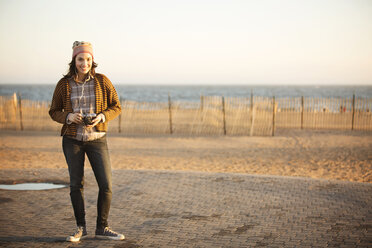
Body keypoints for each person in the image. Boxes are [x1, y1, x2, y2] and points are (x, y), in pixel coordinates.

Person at [49, 41, 124, 242]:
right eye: (81, 59)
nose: (85, 63)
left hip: (97, 139)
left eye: (88, 59)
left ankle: (103, 227)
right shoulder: (63, 84)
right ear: (74, 60)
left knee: (106, 184)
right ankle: (80, 228)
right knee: (76, 184)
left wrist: (102, 117)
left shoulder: (102, 81)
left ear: (93, 60)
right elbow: (53, 111)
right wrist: (68, 117)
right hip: (72, 140)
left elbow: (116, 106)